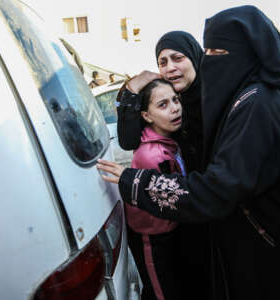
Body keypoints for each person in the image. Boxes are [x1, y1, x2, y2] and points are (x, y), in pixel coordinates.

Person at [97, 5, 280, 300]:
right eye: (208, 52)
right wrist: (132, 88)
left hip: (265, 246)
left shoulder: (256, 106)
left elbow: (218, 189)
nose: (210, 61)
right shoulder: (249, 97)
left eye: (217, 53)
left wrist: (136, 182)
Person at [117, 31, 209, 299]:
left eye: (177, 58)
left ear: (194, 57)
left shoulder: (214, 97)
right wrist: (134, 87)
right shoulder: (159, 130)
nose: (170, 67)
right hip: (183, 216)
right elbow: (127, 138)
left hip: (213, 207)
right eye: (162, 62)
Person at [126, 79, 184, 300]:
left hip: (169, 229)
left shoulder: (167, 140)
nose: (174, 107)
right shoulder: (152, 155)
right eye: (163, 104)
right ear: (146, 116)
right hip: (152, 237)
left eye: (175, 100)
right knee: (162, 291)